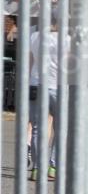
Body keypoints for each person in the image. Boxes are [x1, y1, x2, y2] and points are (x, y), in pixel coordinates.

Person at [28, 10, 61, 181]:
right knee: (61, 128)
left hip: (35, 85)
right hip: (57, 86)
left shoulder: (34, 37)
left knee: (36, 128)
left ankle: (36, 168)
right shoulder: (65, 39)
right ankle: (53, 167)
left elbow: (29, 63)